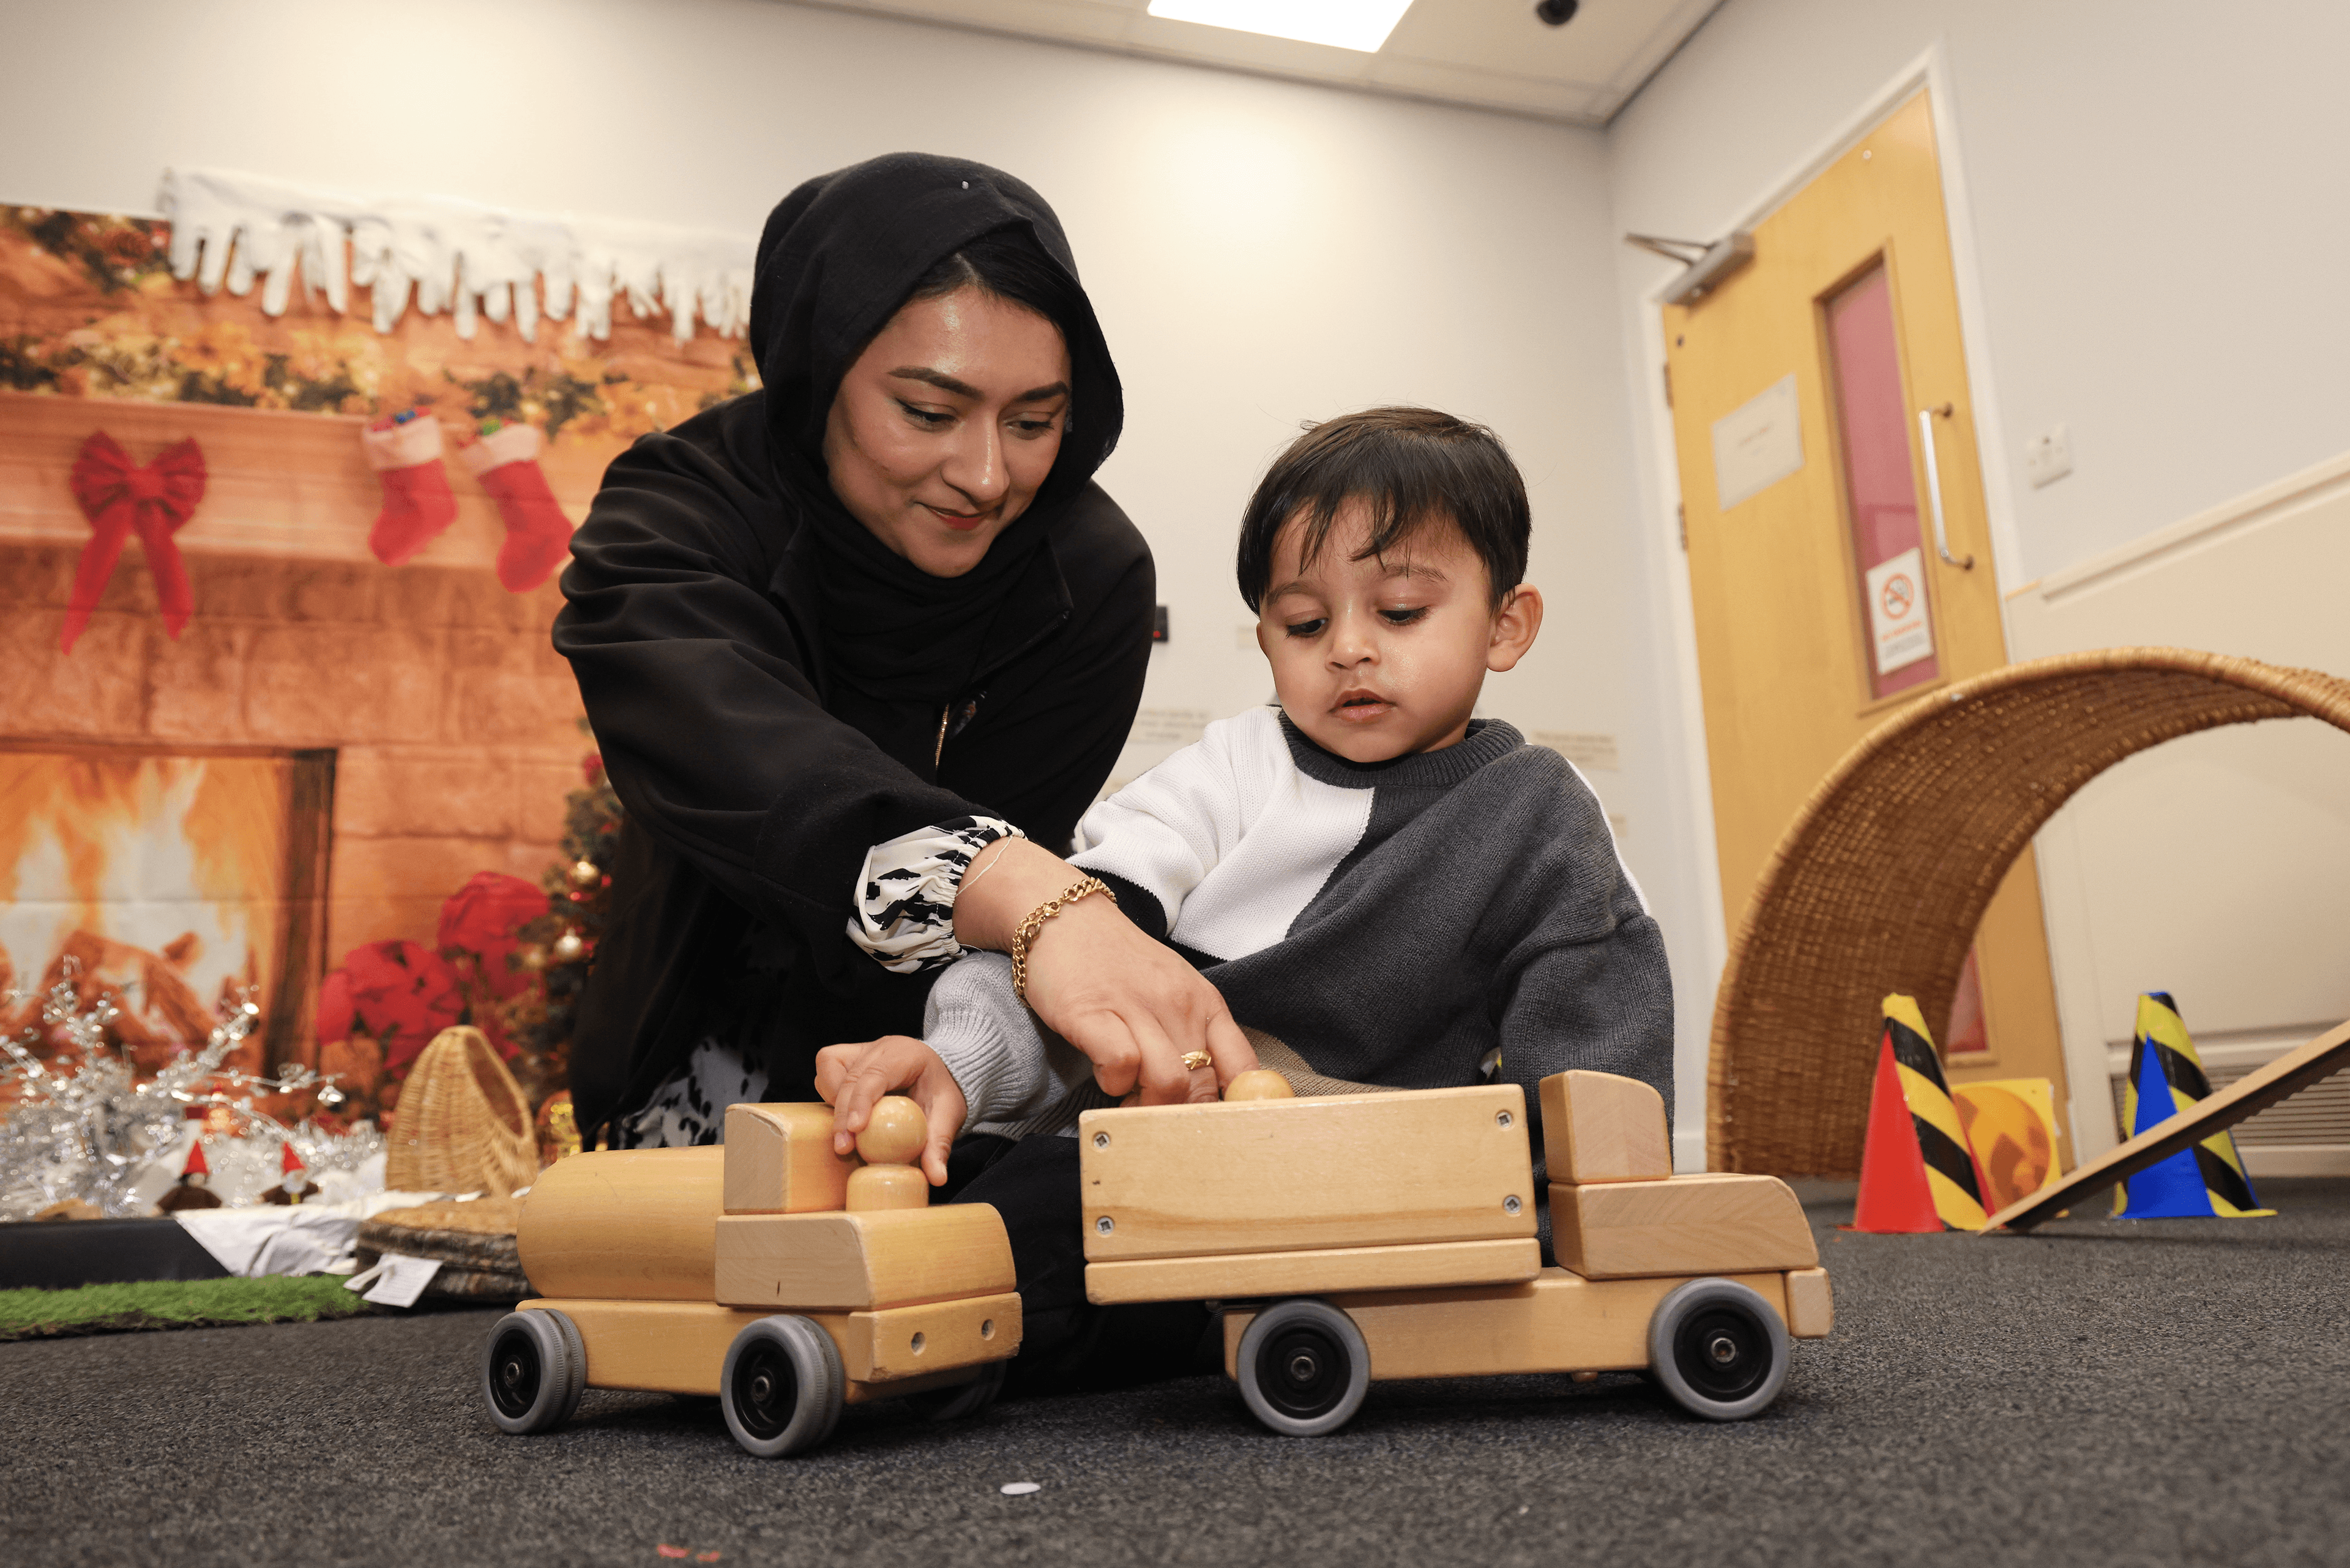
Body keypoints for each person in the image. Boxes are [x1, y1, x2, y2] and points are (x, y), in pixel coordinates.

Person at [818, 405, 1675, 1378]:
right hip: (1141, 1142)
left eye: (1398, 613)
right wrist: (957, 1067)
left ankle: (930, 1344)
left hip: (1363, 1177)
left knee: (1038, 1225)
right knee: (964, 1185)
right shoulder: (1231, 769)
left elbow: (1600, 1038)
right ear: (1266, 635)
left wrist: (1601, 1228)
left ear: (1506, 624)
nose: (1348, 647)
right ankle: (906, 1303)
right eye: (1305, 622)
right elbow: (1066, 933)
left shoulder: (1540, 813)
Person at [553, 154, 1256, 1153]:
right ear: (822, 367)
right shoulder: (676, 514)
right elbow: (737, 752)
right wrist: (1028, 894)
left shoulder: (1087, 576)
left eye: (1034, 422)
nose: (984, 475)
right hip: (681, 1071)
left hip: (935, 1092)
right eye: (928, 413)